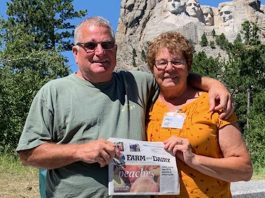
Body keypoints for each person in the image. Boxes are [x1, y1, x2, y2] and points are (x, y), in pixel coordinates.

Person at [16, 16, 233, 197]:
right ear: (75, 53)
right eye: (90, 45)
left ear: (115, 49)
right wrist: (80, 151)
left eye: (107, 45)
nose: (100, 52)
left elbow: (173, 75)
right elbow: (28, 154)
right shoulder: (53, 92)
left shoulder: (137, 83)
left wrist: (213, 84)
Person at [146, 31, 253, 197]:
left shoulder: (214, 105)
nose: (169, 68)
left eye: (176, 61)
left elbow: (244, 170)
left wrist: (194, 159)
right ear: (152, 68)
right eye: (161, 63)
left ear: (188, 66)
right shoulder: (146, 105)